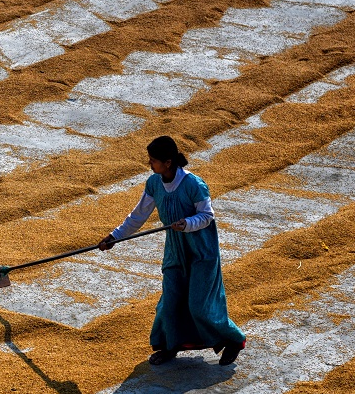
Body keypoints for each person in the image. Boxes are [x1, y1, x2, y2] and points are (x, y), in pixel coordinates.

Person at [98, 136, 245, 366]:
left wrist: (187, 224)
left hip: (201, 252)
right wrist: (115, 237)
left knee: (200, 305)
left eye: (154, 160)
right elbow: (138, 216)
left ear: (168, 162)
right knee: (170, 301)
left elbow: (207, 216)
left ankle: (233, 340)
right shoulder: (154, 183)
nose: (150, 164)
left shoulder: (194, 185)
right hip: (176, 251)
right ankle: (169, 346)